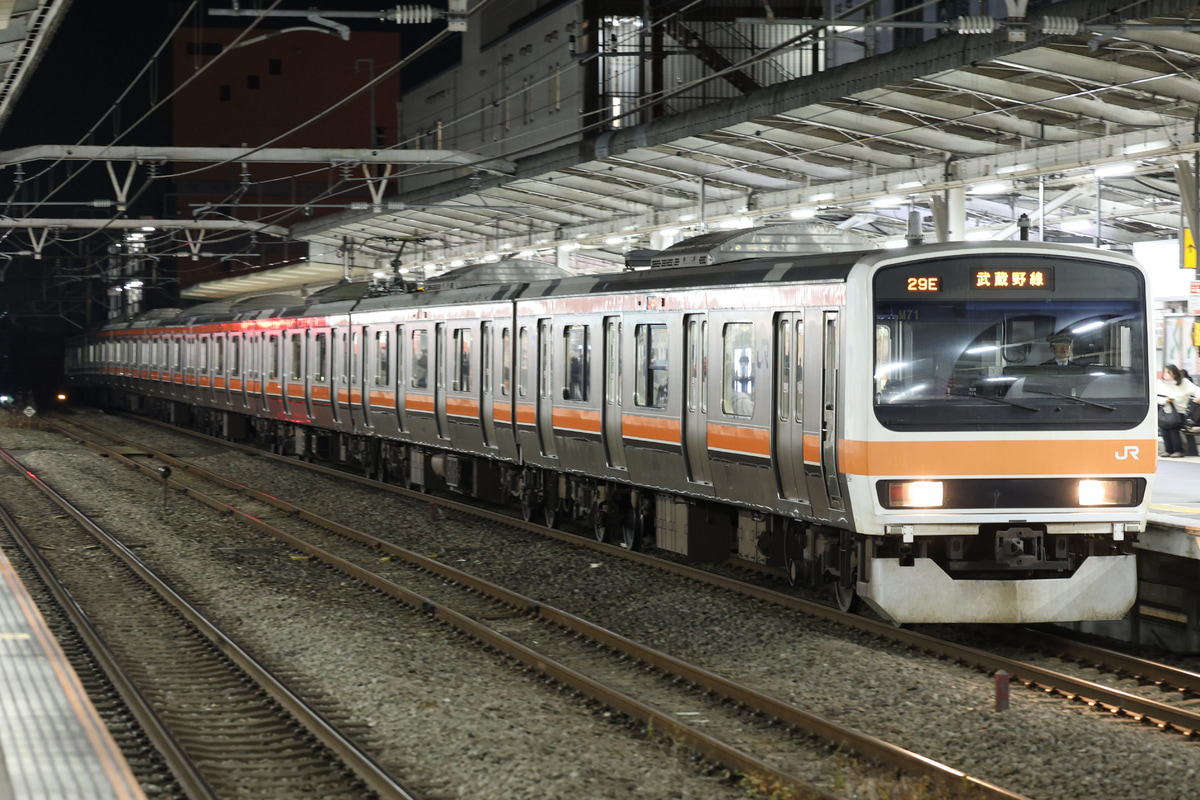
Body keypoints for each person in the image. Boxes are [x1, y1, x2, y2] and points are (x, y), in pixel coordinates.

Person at [1158, 364, 1198, 457]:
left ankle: (1178, 450)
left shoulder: (1184, 383)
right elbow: (1156, 396)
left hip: (1179, 412)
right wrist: (1165, 400)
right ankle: (1169, 450)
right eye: (1164, 372)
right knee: (1164, 429)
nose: (1165, 375)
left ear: (1175, 374)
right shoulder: (1160, 383)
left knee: (1173, 429)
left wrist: (1198, 397)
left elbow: (1196, 390)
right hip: (1165, 411)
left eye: (1168, 373)